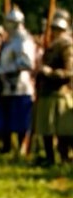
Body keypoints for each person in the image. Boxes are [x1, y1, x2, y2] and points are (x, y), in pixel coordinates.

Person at [34, 9, 73, 166]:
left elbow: (70, 71)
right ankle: (49, 158)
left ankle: (64, 159)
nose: (56, 32)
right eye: (54, 29)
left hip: (60, 92)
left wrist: (50, 72)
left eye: (59, 29)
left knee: (63, 131)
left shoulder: (66, 45)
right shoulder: (51, 45)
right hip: (47, 92)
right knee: (46, 130)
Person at [0, 7, 36, 156]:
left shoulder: (23, 39)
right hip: (7, 85)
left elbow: (27, 63)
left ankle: (21, 147)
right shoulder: (10, 40)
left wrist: (4, 69)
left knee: (20, 121)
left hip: (19, 85)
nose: (6, 25)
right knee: (6, 118)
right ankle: (6, 147)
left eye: (9, 22)